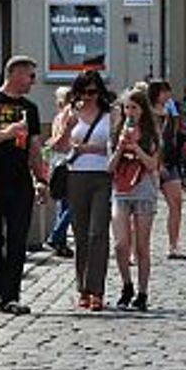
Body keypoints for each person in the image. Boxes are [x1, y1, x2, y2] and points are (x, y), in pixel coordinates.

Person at [0, 55, 50, 315]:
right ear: (15, 73)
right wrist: (6, 134)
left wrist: (41, 179)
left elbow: (34, 148)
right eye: (30, 76)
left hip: (20, 181)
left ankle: (11, 296)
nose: (33, 81)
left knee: (17, 240)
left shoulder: (30, 108)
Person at [54, 70, 114, 311]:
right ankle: (83, 288)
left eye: (92, 92)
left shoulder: (111, 115)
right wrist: (68, 129)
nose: (88, 97)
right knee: (80, 234)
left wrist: (91, 148)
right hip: (76, 176)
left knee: (98, 232)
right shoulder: (70, 113)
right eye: (83, 92)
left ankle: (97, 290)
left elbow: (115, 146)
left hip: (103, 176)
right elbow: (58, 146)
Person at [110, 88, 161, 311]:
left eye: (134, 108)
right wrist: (120, 147)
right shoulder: (116, 132)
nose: (130, 112)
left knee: (142, 246)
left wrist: (136, 148)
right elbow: (109, 167)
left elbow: (152, 165)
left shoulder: (150, 134)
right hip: (120, 190)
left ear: (142, 110)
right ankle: (126, 285)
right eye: (126, 108)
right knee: (121, 244)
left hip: (143, 190)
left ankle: (142, 292)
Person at [148, 80, 186, 260]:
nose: (168, 95)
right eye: (165, 92)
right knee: (144, 209)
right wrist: (158, 164)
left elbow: (172, 138)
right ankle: (137, 248)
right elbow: (153, 141)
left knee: (176, 203)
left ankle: (173, 245)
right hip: (152, 164)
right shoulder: (148, 114)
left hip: (171, 162)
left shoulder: (170, 112)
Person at [45, 86, 76, 259]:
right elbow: (62, 137)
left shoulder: (64, 114)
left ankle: (59, 241)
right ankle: (58, 237)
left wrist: (51, 143)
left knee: (65, 202)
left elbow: (60, 136)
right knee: (70, 202)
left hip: (62, 159)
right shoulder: (67, 114)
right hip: (65, 159)